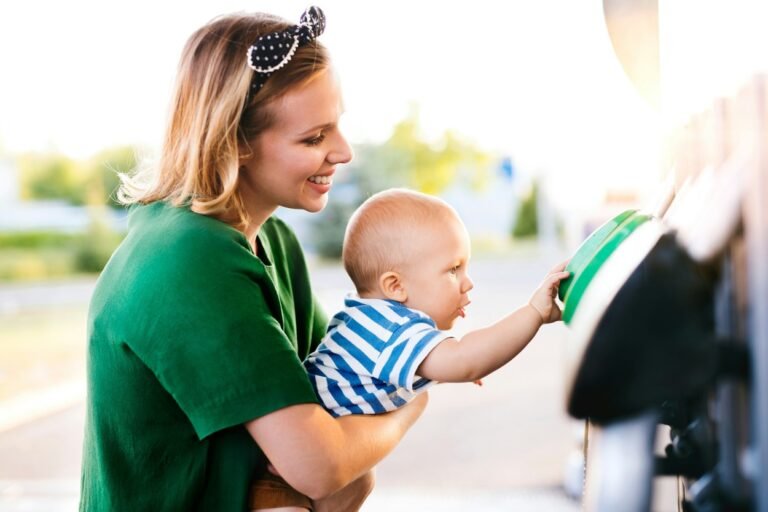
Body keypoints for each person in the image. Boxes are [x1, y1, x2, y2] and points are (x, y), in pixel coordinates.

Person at [79, 7, 428, 512]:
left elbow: (350, 382)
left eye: (337, 126)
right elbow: (321, 467)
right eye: (314, 138)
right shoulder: (190, 263)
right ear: (234, 142)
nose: (344, 152)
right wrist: (412, 401)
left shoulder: (272, 240)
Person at [250, 188, 569, 508]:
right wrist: (534, 314)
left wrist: (449, 369)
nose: (467, 282)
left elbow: (444, 362)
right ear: (395, 286)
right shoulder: (391, 330)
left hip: (320, 470)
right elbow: (466, 358)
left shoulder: (376, 320)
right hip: (283, 477)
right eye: (453, 269)